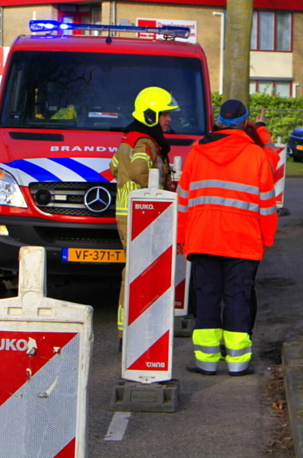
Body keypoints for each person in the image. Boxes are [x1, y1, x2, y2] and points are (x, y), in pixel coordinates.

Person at [177, 99, 278, 376]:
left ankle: (206, 362)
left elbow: (183, 199)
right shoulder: (256, 155)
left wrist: (182, 237)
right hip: (243, 240)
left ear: (219, 121)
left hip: (202, 237)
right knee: (238, 297)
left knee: (206, 296)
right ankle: (238, 363)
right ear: (245, 122)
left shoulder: (197, 151)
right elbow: (267, 205)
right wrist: (266, 239)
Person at [109, 86, 179, 338]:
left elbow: (114, 166)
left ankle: (129, 329)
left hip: (132, 214)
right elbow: (141, 171)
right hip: (139, 214)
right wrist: (163, 182)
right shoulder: (145, 141)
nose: (169, 119)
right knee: (137, 270)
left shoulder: (130, 138)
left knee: (137, 268)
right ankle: (128, 332)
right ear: (150, 115)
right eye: (164, 115)